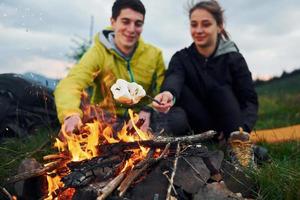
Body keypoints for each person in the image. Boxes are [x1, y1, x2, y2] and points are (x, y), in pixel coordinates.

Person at [153, 0, 258, 168]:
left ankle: (239, 150)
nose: (199, 30)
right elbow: (175, 77)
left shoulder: (233, 58)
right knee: (180, 98)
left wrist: (243, 128)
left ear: (219, 26)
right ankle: (189, 148)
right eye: (194, 25)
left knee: (220, 90)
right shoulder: (182, 57)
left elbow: (249, 100)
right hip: (200, 124)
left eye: (206, 24)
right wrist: (168, 94)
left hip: (230, 122)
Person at [54, 0, 165, 133]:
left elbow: (163, 91)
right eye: (125, 21)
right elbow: (71, 83)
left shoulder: (154, 54)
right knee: (86, 118)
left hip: (143, 117)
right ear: (113, 22)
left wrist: (148, 110)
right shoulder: (98, 53)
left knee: (175, 118)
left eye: (138, 24)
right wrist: (71, 114)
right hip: (107, 119)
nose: (131, 29)